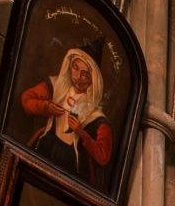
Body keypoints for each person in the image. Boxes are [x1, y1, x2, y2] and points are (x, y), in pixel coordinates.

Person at [19, 40, 113, 190]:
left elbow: (103, 156)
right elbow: (26, 100)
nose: (78, 76)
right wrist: (46, 107)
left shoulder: (96, 116)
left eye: (85, 74)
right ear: (69, 65)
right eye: (75, 68)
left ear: (93, 79)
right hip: (47, 145)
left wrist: (82, 133)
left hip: (72, 163)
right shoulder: (56, 86)